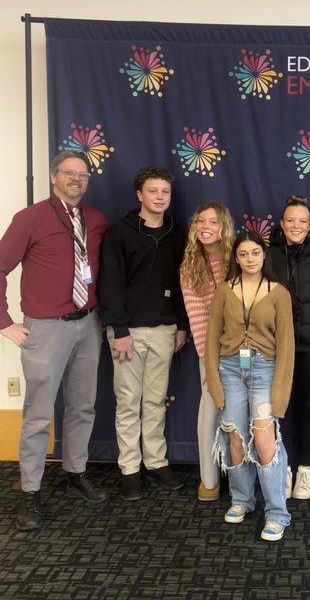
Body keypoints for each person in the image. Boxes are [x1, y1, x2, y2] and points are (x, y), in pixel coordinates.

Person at [0, 151, 109, 531]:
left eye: (83, 174)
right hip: (45, 327)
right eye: (69, 173)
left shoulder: (96, 220)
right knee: (38, 414)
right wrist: (4, 322)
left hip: (88, 323)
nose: (77, 179)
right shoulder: (30, 218)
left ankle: (75, 471)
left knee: (82, 407)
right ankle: (30, 490)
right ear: (53, 176)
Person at [98, 166, 188, 501]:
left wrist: (180, 325)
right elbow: (110, 285)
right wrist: (119, 330)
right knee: (127, 402)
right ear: (139, 195)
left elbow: (184, 285)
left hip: (165, 331)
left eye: (165, 192)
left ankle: (155, 461)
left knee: (155, 402)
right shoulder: (119, 233)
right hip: (127, 333)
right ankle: (130, 468)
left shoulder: (177, 234)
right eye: (153, 191)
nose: (160, 197)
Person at [204, 230, 295, 541]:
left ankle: (277, 513)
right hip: (229, 369)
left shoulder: (278, 292)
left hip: (265, 370)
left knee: (265, 440)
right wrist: (214, 384)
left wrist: (280, 392)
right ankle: (242, 499)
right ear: (236, 258)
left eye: (255, 253)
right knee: (235, 439)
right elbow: (211, 340)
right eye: (243, 254)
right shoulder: (224, 290)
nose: (249, 259)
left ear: (264, 255)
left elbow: (286, 346)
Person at [269, 195, 310, 500]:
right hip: (278, 346)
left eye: (302, 221)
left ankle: (305, 470)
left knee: (309, 407)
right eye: (290, 220)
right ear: (282, 224)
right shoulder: (267, 254)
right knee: (282, 409)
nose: (296, 226)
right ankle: (284, 468)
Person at [180, 200, 235, 502]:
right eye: (201, 221)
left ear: (223, 226)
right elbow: (197, 316)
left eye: (213, 222)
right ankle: (209, 480)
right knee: (210, 411)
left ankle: (240, 475)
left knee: (241, 413)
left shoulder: (238, 259)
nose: (205, 227)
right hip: (210, 353)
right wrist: (210, 361)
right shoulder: (190, 265)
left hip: (243, 349)